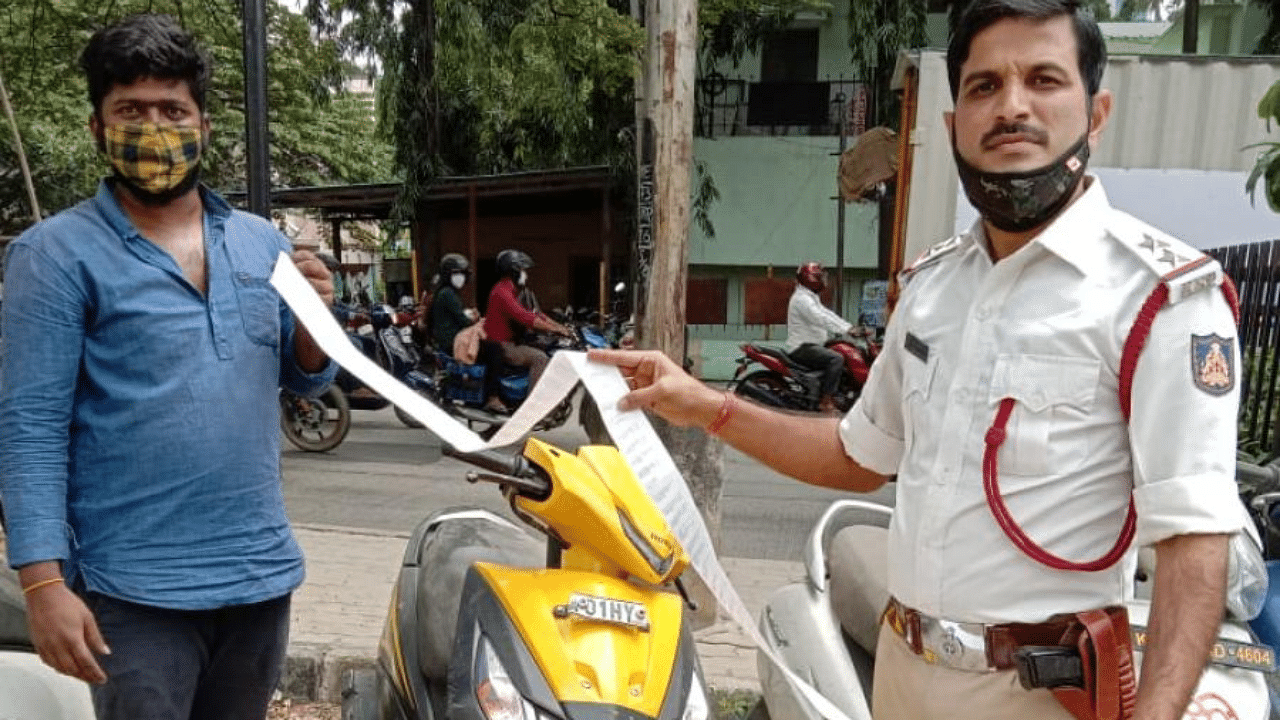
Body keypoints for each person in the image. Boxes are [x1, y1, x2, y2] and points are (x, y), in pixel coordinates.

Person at [590, 1, 1241, 718]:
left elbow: (1192, 545)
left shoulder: (1160, 300)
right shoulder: (932, 287)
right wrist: (705, 405)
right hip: (901, 671)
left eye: (1045, 79)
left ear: (1097, 111)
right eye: (985, 85)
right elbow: (859, 453)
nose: (1012, 106)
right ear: (953, 121)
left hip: (1037, 694)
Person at [0, 14, 338, 720]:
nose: (153, 128)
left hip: (257, 576)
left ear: (203, 125)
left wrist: (314, 322)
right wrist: (40, 584)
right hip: (131, 595)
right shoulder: (55, 255)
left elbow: (304, 378)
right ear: (97, 127)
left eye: (171, 110)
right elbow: (30, 427)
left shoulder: (258, 243)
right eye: (130, 110)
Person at [482, 249, 573, 389]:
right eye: (523, 270)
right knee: (541, 358)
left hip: (509, 342)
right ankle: (533, 405)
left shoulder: (511, 290)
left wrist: (559, 327)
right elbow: (525, 317)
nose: (526, 274)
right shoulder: (503, 292)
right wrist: (555, 329)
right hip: (503, 346)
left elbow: (535, 313)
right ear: (514, 271)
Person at [430, 253, 507, 414]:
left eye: (462, 274)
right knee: (496, 351)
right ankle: (493, 397)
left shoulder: (447, 293)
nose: (461, 277)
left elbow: (459, 317)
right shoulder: (447, 294)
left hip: (452, 339)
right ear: (447, 275)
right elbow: (463, 321)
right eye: (456, 273)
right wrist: (476, 320)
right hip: (453, 342)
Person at [786, 261, 854, 413]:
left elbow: (827, 314)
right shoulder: (802, 299)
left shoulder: (810, 297)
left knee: (840, 350)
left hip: (812, 345)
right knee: (836, 359)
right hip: (802, 348)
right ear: (810, 278)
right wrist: (847, 330)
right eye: (819, 277)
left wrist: (849, 327)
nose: (823, 280)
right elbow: (820, 319)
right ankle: (826, 401)